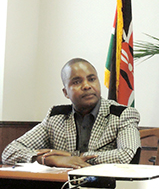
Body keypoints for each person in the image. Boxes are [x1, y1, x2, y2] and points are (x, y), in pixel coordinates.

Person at [2, 58, 141, 168]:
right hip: (60, 188)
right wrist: (49, 159)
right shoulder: (56, 117)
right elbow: (10, 152)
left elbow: (127, 155)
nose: (87, 86)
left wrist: (73, 157)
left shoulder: (122, 114)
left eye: (92, 79)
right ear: (66, 93)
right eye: (76, 82)